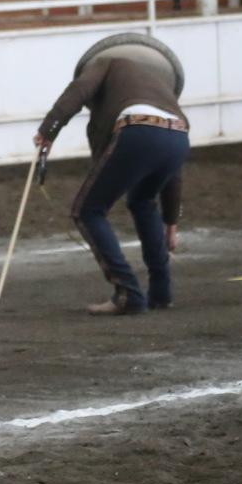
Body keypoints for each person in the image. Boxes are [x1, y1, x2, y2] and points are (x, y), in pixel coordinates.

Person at [33, 39, 189, 315]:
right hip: (179, 136)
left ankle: (128, 293)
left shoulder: (107, 63)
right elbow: (173, 177)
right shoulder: (162, 92)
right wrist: (171, 222)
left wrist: (49, 130)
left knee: (87, 210)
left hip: (137, 131)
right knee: (143, 201)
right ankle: (161, 293)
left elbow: (78, 92)